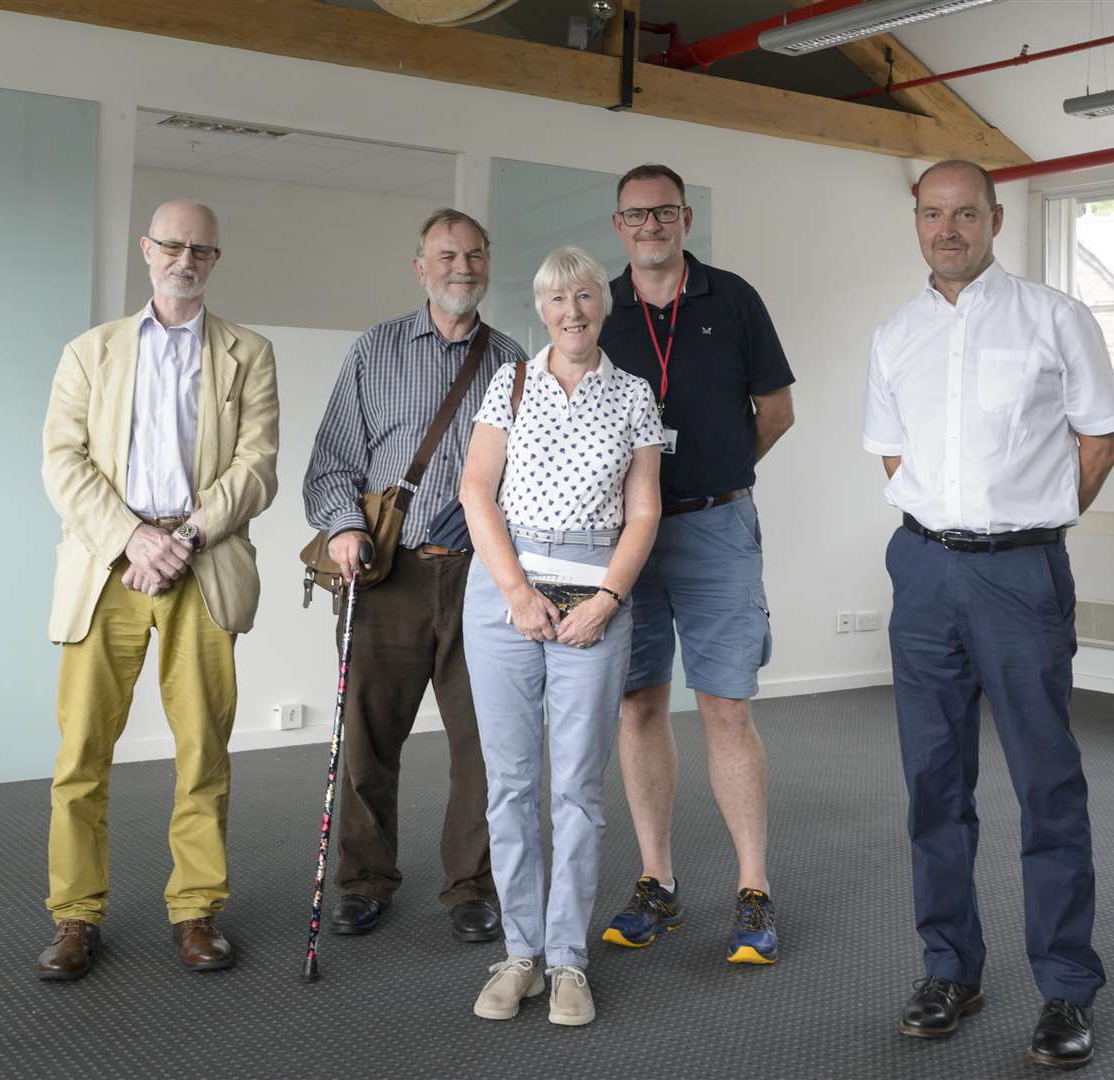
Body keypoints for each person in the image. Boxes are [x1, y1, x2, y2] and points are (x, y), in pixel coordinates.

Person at [862, 160, 1114, 1070]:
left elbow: (1099, 440)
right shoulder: (893, 335)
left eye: (964, 213)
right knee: (934, 785)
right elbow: (891, 456)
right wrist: (947, 530)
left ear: (994, 218)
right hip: (925, 573)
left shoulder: (1055, 317)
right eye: (932, 214)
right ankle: (949, 970)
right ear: (917, 221)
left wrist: (1034, 521)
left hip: (1020, 577)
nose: (948, 229)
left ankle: (1064, 988)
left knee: (1046, 785)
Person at [38, 199, 279, 979]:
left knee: (203, 749)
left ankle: (196, 911)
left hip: (199, 561)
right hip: (106, 567)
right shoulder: (90, 352)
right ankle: (75, 919)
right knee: (81, 754)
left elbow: (257, 468)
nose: (185, 259)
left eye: (201, 250)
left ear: (215, 259)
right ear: (147, 250)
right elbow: (62, 462)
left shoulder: (249, 352)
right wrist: (130, 539)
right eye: (172, 245)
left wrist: (176, 541)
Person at [303, 209, 526, 943]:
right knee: (368, 739)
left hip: (483, 582)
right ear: (420, 267)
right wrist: (343, 526)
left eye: (474, 255)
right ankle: (365, 880)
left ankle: (471, 886)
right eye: (446, 255)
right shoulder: (376, 350)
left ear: (488, 264)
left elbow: (529, 477)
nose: (461, 267)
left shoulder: (515, 361)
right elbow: (331, 461)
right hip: (386, 573)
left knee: (485, 742)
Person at [597, 164, 795, 964]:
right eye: (636, 214)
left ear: (683, 219)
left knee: (725, 708)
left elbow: (777, 411)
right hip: (624, 541)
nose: (651, 225)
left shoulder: (732, 298)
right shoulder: (597, 311)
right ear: (619, 225)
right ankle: (658, 883)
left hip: (716, 528)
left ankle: (752, 890)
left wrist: (720, 472)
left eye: (665, 212)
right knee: (638, 707)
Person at [460, 246, 662, 1025]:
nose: (570, 311)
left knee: (575, 790)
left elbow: (642, 511)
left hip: (594, 604)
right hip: (504, 601)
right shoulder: (507, 384)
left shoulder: (633, 395)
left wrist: (607, 598)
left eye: (582, 297)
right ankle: (520, 956)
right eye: (554, 300)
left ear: (601, 305)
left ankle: (568, 960)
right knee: (510, 787)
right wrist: (514, 592)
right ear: (538, 310)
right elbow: (476, 489)